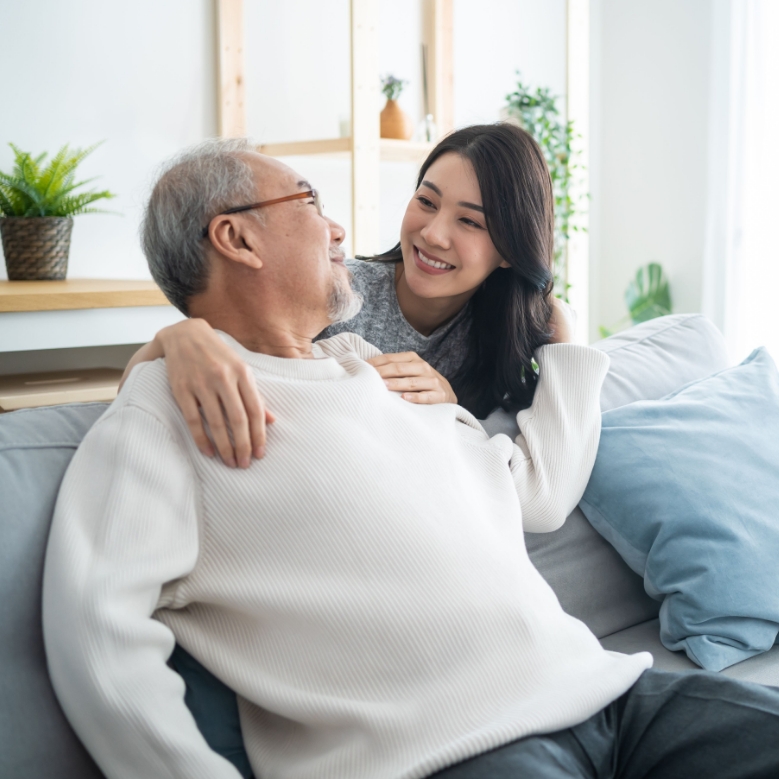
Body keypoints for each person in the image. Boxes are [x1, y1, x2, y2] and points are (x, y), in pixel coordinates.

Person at [43, 139, 779, 779]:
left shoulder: (376, 371)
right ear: (236, 238)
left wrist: (549, 349)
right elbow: (98, 639)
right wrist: (176, 340)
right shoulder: (167, 414)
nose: (338, 227)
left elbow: (521, 492)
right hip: (452, 749)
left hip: (614, 694)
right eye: (310, 200)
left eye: (472, 222)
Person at [121, 123, 558, 469]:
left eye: (471, 223)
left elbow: (515, 472)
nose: (433, 234)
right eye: (426, 201)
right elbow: (153, 393)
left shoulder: (514, 333)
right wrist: (177, 338)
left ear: (510, 249)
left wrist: (452, 412)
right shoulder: (333, 292)